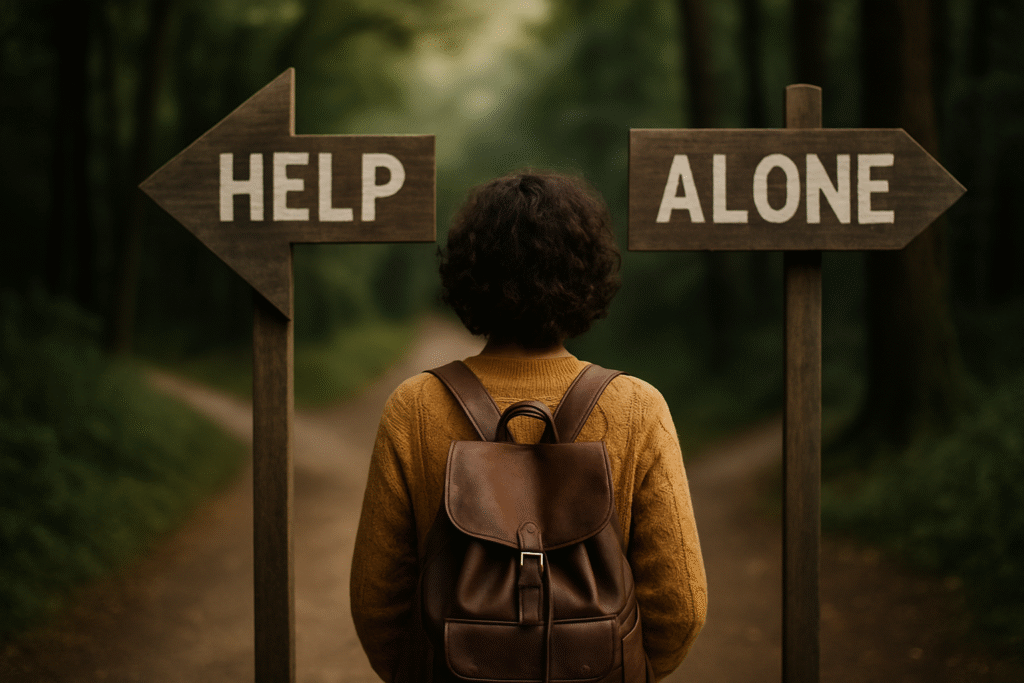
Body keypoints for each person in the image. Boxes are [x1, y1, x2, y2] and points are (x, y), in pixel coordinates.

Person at [350, 171, 707, 681]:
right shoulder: (638, 407)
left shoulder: (415, 407)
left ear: (469, 273)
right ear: (586, 274)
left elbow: (376, 603)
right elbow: (682, 606)